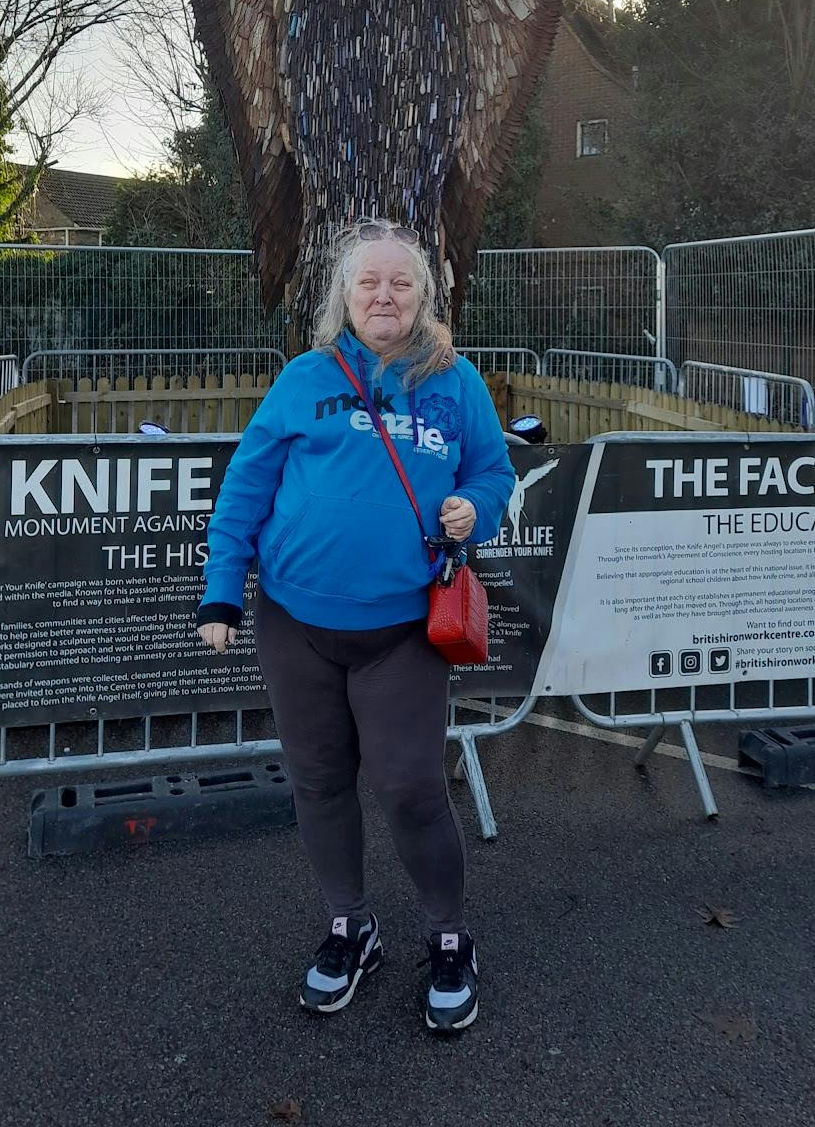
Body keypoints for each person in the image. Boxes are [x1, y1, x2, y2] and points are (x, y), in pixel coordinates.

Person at [196, 218, 515, 1034]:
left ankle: (449, 937)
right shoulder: (304, 378)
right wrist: (221, 594)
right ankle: (351, 924)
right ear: (343, 296)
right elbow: (245, 486)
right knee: (319, 781)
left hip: (402, 631)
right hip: (295, 623)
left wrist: (472, 508)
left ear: (422, 296)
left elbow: (493, 469)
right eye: (368, 283)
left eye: (400, 283)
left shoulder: (456, 382)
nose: (384, 295)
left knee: (410, 785)